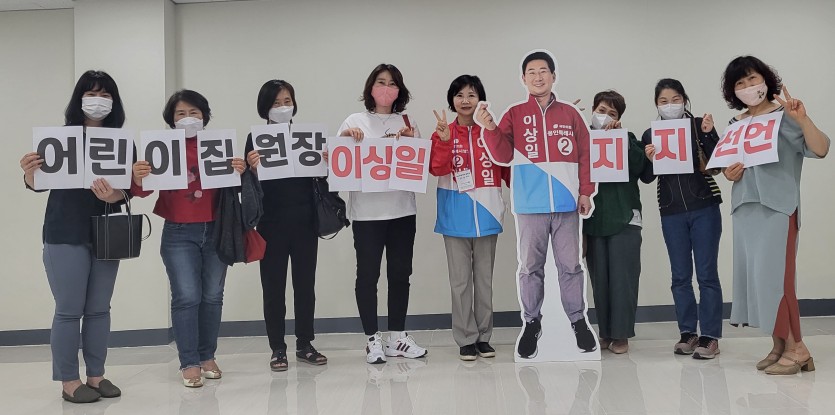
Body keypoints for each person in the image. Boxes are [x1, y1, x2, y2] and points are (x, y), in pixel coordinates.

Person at [476, 50, 596, 358]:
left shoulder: (570, 114)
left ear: (553, 76)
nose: (538, 76)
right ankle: (531, 322)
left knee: (571, 266)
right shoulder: (515, 114)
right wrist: (489, 129)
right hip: (530, 205)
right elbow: (502, 155)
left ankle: (578, 321)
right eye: (532, 72)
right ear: (523, 78)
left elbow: (585, 154)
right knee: (530, 268)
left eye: (543, 71)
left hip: (567, 203)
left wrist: (585, 191)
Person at [19, 70, 127, 403]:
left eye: (105, 94)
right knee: (68, 309)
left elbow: (126, 191)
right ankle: (69, 380)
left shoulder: (121, 141)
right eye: (91, 93)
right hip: (65, 231)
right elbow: (38, 184)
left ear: (114, 102)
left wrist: (114, 195)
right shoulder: (59, 138)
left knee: (100, 309)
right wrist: (29, 172)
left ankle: (96, 375)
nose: (98, 100)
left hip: (106, 231)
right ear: (79, 99)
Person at [720, 56, 829, 375]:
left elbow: (821, 148)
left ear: (766, 81)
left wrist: (803, 119)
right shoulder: (735, 124)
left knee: (778, 281)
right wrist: (729, 173)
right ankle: (780, 344)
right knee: (758, 281)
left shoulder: (785, 116)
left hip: (778, 207)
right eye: (739, 83)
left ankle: (798, 349)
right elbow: (728, 165)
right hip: (745, 208)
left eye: (752, 79)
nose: (747, 86)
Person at [131, 90, 246, 387]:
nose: (188, 118)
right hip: (179, 231)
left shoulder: (217, 145)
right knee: (186, 296)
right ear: (171, 119)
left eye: (194, 112)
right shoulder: (162, 147)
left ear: (205, 116)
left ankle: (207, 356)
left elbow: (234, 188)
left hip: (217, 228)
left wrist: (240, 171)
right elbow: (142, 191)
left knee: (213, 295)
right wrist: (139, 175)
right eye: (180, 113)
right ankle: (189, 361)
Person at [336, 63, 428, 364]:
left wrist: (411, 141)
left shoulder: (408, 121)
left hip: (402, 211)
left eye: (392, 83)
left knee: (401, 274)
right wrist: (347, 138)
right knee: (367, 275)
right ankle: (372, 338)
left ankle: (397, 336)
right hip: (367, 214)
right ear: (370, 87)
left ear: (399, 90)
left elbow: (420, 166)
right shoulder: (355, 120)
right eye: (380, 82)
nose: (386, 88)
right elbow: (338, 163)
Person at [245, 80, 327, 372]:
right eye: (276, 103)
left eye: (287, 101)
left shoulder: (306, 137)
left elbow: (321, 177)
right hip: (271, 223)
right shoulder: (256, 139)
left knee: (305, 285)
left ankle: (305, 343)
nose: (282, 107)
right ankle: (277, 348)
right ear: (264, 108)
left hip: (305, 221)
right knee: (273, 287)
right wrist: (251, 168)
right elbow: (248, 184)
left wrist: (325, 161)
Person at [640, 78, 723, 359]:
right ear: (656, 104)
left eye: (675, 100)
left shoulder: (699, 126)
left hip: (705, 207)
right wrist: (648, 159)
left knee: (707, 274)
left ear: (684, 100)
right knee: (679, 276)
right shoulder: (650, 134)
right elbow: (647, 178)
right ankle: (688, 332)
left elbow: (719, 161)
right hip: (671, 211)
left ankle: (710, 336)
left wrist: (709, 134)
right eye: (663, 101)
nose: (670, 105)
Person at [429, 75, 509, 361]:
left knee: (484, 282)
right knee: (460, 283)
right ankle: (465, 338)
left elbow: (508, 168)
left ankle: (484, 337)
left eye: (471, 95)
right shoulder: (443, 132)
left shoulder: (492, 132)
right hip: (454, 217)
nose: (465, 100)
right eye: (459, 95)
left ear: (480, 100)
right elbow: (436, 169)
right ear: (452, 100)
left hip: (488, 215)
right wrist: (444, 142)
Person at [583, 90, 647, 354]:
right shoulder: (582, 139)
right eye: (601, 110)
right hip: (594, 220)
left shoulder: (627, 138)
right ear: (592, 111)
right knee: (600, 280)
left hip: (625, 218)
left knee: (623, 279)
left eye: (612, 113)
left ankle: (621, 335)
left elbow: (642, 169)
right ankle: (606, 332)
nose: (606, 117)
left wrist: (621, 139)